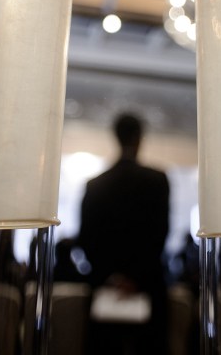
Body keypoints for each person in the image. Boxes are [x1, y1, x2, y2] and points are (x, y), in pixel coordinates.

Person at [78, 112, 170, 355]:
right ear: (139, 138)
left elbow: (86, 238)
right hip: (148, 285)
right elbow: (160, 235)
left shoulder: (95, 185)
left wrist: (113, 277)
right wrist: (136, 277)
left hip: (104, 286)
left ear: (116, 137)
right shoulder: (157, 181)